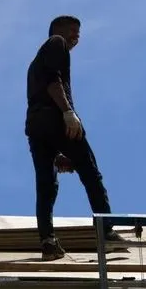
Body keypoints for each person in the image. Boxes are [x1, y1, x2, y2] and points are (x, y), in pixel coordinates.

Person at [25, 15, 124, 260]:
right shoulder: (56, 43)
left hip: (36, 126)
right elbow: (52, 80)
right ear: (57, 30)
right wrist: (68, 113)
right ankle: (106, 231)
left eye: (78, 33)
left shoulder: (35, 63)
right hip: (54, 117)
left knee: (46, 185)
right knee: (89, 170)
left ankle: (48, 241)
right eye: (73, 31)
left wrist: (58, 151)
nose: (76, 37)